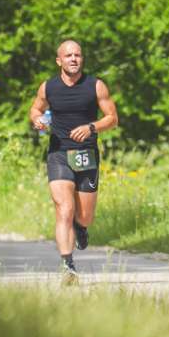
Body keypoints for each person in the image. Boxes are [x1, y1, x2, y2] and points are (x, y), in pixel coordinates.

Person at [29, 40, 118, 282]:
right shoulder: (48, 87)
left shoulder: (95, 86)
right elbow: (35, 110)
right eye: (68, 55)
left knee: (84, 216)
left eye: (77, 55)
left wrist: (92, 127)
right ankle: (68, 266)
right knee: (64, 209)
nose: (73, 59)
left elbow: (112, 118)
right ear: (59, 60)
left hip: (86, 155)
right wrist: (37, 120)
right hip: (58, 153)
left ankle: (81, 228)